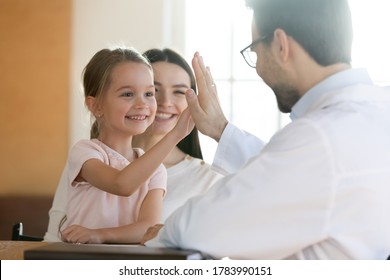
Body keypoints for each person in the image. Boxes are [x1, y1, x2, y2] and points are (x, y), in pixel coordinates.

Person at [143, 0, 390, 259]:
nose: (259, 67)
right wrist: (221, 129)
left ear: (281, 45)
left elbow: (196, 228)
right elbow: (295, 175)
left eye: (255, 51)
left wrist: (162, 230)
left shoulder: (317, 137)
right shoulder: (375, 111)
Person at [52, 47, 193, 244]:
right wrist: (176, 134)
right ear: (95, 106)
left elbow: (147, 229)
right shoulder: (86, 152)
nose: (142, 104)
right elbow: (122, 184)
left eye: (149, 94)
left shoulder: (156, 171)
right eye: (127, 94)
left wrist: (99, 235)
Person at [133, 48, 223, 222]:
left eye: (179, 92)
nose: (165, 102)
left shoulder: (208, 179)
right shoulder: (93, 161)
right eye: (153, 90)